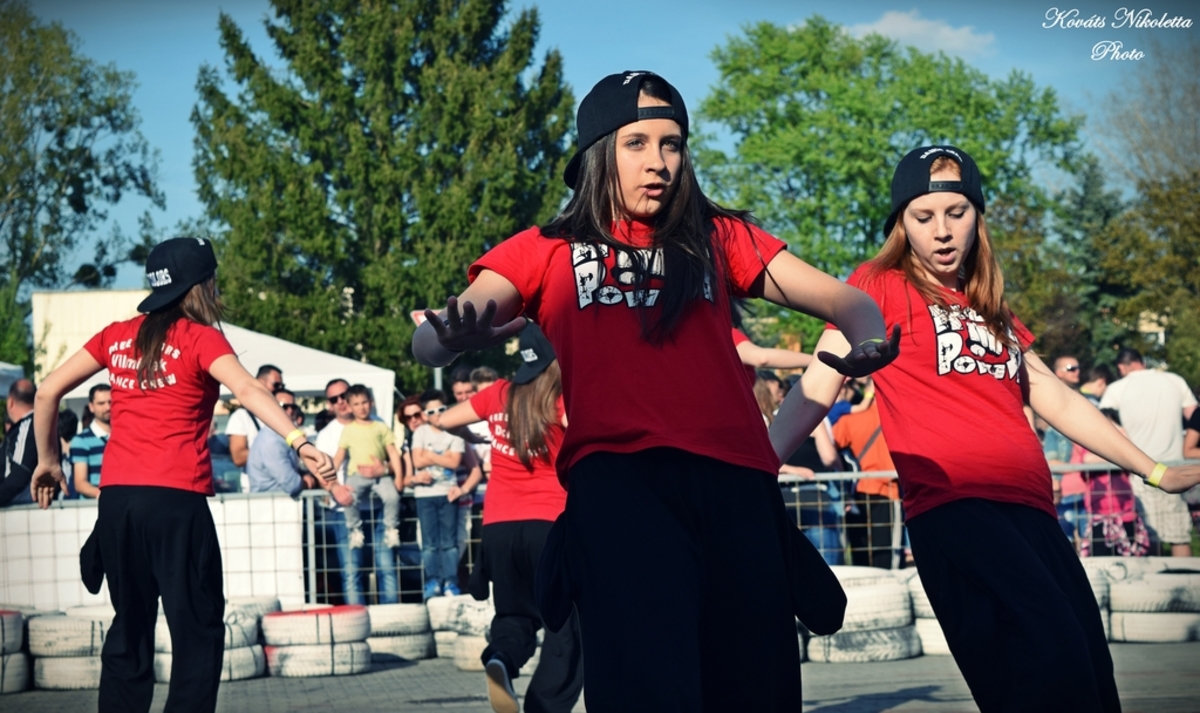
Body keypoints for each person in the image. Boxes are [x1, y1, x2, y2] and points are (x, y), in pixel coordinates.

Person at [413, 70, 897, 712]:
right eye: (636, 143)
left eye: (672, 144)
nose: (659, 162)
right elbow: (436, 334)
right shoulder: (545, 249)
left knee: (754, 688)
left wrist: (867, 337)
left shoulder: (718, 237)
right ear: (598, 153)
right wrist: (449, 337)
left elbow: (846, 299)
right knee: (644, 690)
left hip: (736, 487)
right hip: (622, 489)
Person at [771, 145, 1200, 713]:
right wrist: (755, 468)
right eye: (924, 216)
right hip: (956, 506)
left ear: (977, 216)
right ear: (901, 223)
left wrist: (1157, 471)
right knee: (1052, 661)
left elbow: (1055, 397)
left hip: (1032, 510)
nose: (942, 230)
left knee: (1093, 673)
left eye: (957, 212)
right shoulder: (877, 285)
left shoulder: (988, 304)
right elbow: (818, 386)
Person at [28, 237, 333, 713]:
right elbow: (249, 389)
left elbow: (47, 391)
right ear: (202, 285)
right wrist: (300, 441)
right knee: (197, 629)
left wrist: (48, 461)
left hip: (118, 502)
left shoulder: (116, 335)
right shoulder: (200, 338)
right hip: (175, 500)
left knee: (129, 629)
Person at [438, 323, 584, 713]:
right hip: (549, 525)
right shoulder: (562, 401)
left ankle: (502, 658)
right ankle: (544, 706)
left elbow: (444, 420)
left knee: (514, 614)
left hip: (498, 527)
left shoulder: (499, 393)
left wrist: (476, 437)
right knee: (566, 627)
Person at [1100, 347, 1198, 556]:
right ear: (1141, 362)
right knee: (1179, 536)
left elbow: (1103, 420)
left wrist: (1123, 437)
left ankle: (1155, 578)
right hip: (1175, 467)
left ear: (1121, 367)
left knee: (1148, 537)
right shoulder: (1174, 380)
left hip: (1141, 469)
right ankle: (1186, 577)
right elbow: (1194, 415)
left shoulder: (1117, 388)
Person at [408, 390, 468, 600]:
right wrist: (444, 456)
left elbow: (455, 462)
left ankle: (451, 581)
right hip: (425, 496)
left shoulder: (456, 432)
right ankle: (432, 581)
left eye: (441, 409)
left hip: (448, 493)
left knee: (450, 543)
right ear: (424, 415)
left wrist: (430, 454)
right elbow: (417, 461)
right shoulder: (420, 433)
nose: (436, 415)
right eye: (431, 412)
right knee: (429, 544)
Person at [333, 384, 403, 549]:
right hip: (356, 474)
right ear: (350, 407)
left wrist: (399, 477)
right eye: (356, 404)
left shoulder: (381, 426)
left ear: (371, 402)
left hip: (380, 476)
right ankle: (355, 530)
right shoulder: (348, 430)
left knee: (393, 497)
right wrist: (332, 481)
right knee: (348, 498)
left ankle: (391, 528)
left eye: (364, 402)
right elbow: (339, 456)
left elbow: (393, 452)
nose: (361, 407)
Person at [247, 402, 318, 497]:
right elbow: (291, 484)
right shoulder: (272, 441)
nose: (290, 411)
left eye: (293, 407)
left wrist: (303, 475)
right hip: (271, 502)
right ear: (273, 407)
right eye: (284, 406)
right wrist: (307, 481)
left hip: (280, 501)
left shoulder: (280, 436)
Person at [224, 363, 286, 467]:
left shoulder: (280, 414)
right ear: (260, 383)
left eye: (282, 386)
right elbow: (238, 458)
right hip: (254, 477)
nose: (279, 389)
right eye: (276, 385)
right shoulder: (241, 417)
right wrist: (275, 450)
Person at [71, 383, 112, 499]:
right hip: (93, 504)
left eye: (110, 402)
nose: (107, 407)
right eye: (101, 403)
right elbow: (80, 483)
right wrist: (104, 496)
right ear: (91, 407)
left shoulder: (125, 436)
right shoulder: (81, 441)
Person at [1, 379, 37, 507]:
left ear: (10, 402)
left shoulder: (26, 426)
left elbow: (19, 474)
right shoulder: (38, 423)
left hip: (21, 507)